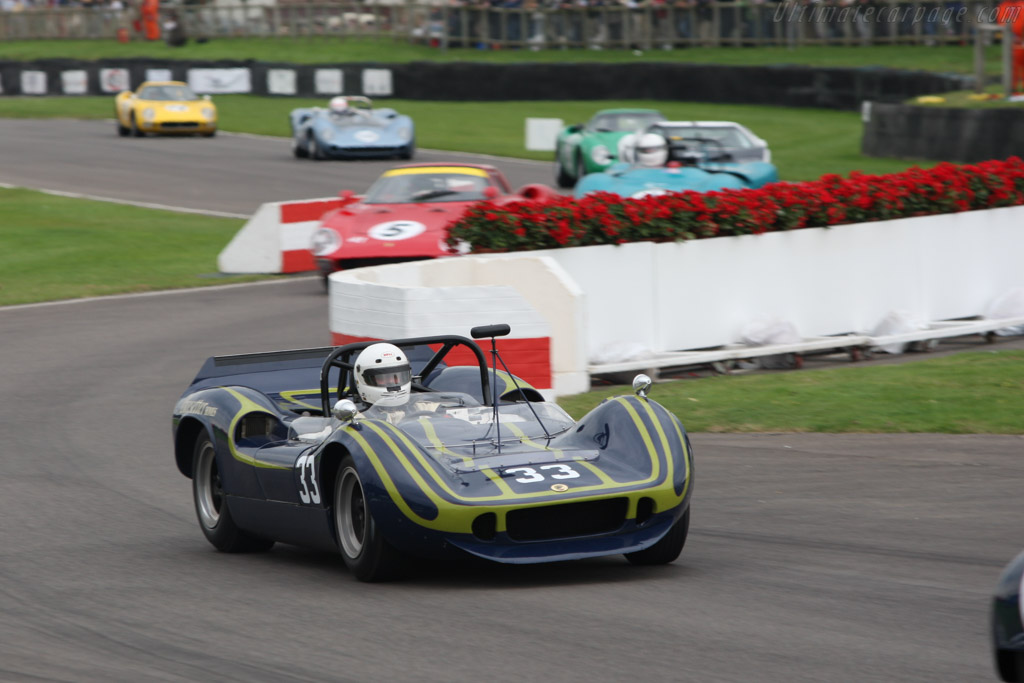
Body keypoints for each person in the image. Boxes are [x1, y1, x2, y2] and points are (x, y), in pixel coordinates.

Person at [353, 343, 412, 419]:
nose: (392, 382)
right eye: (383, 379)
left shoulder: (423, 408)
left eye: (398, 377)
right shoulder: (357, 420)